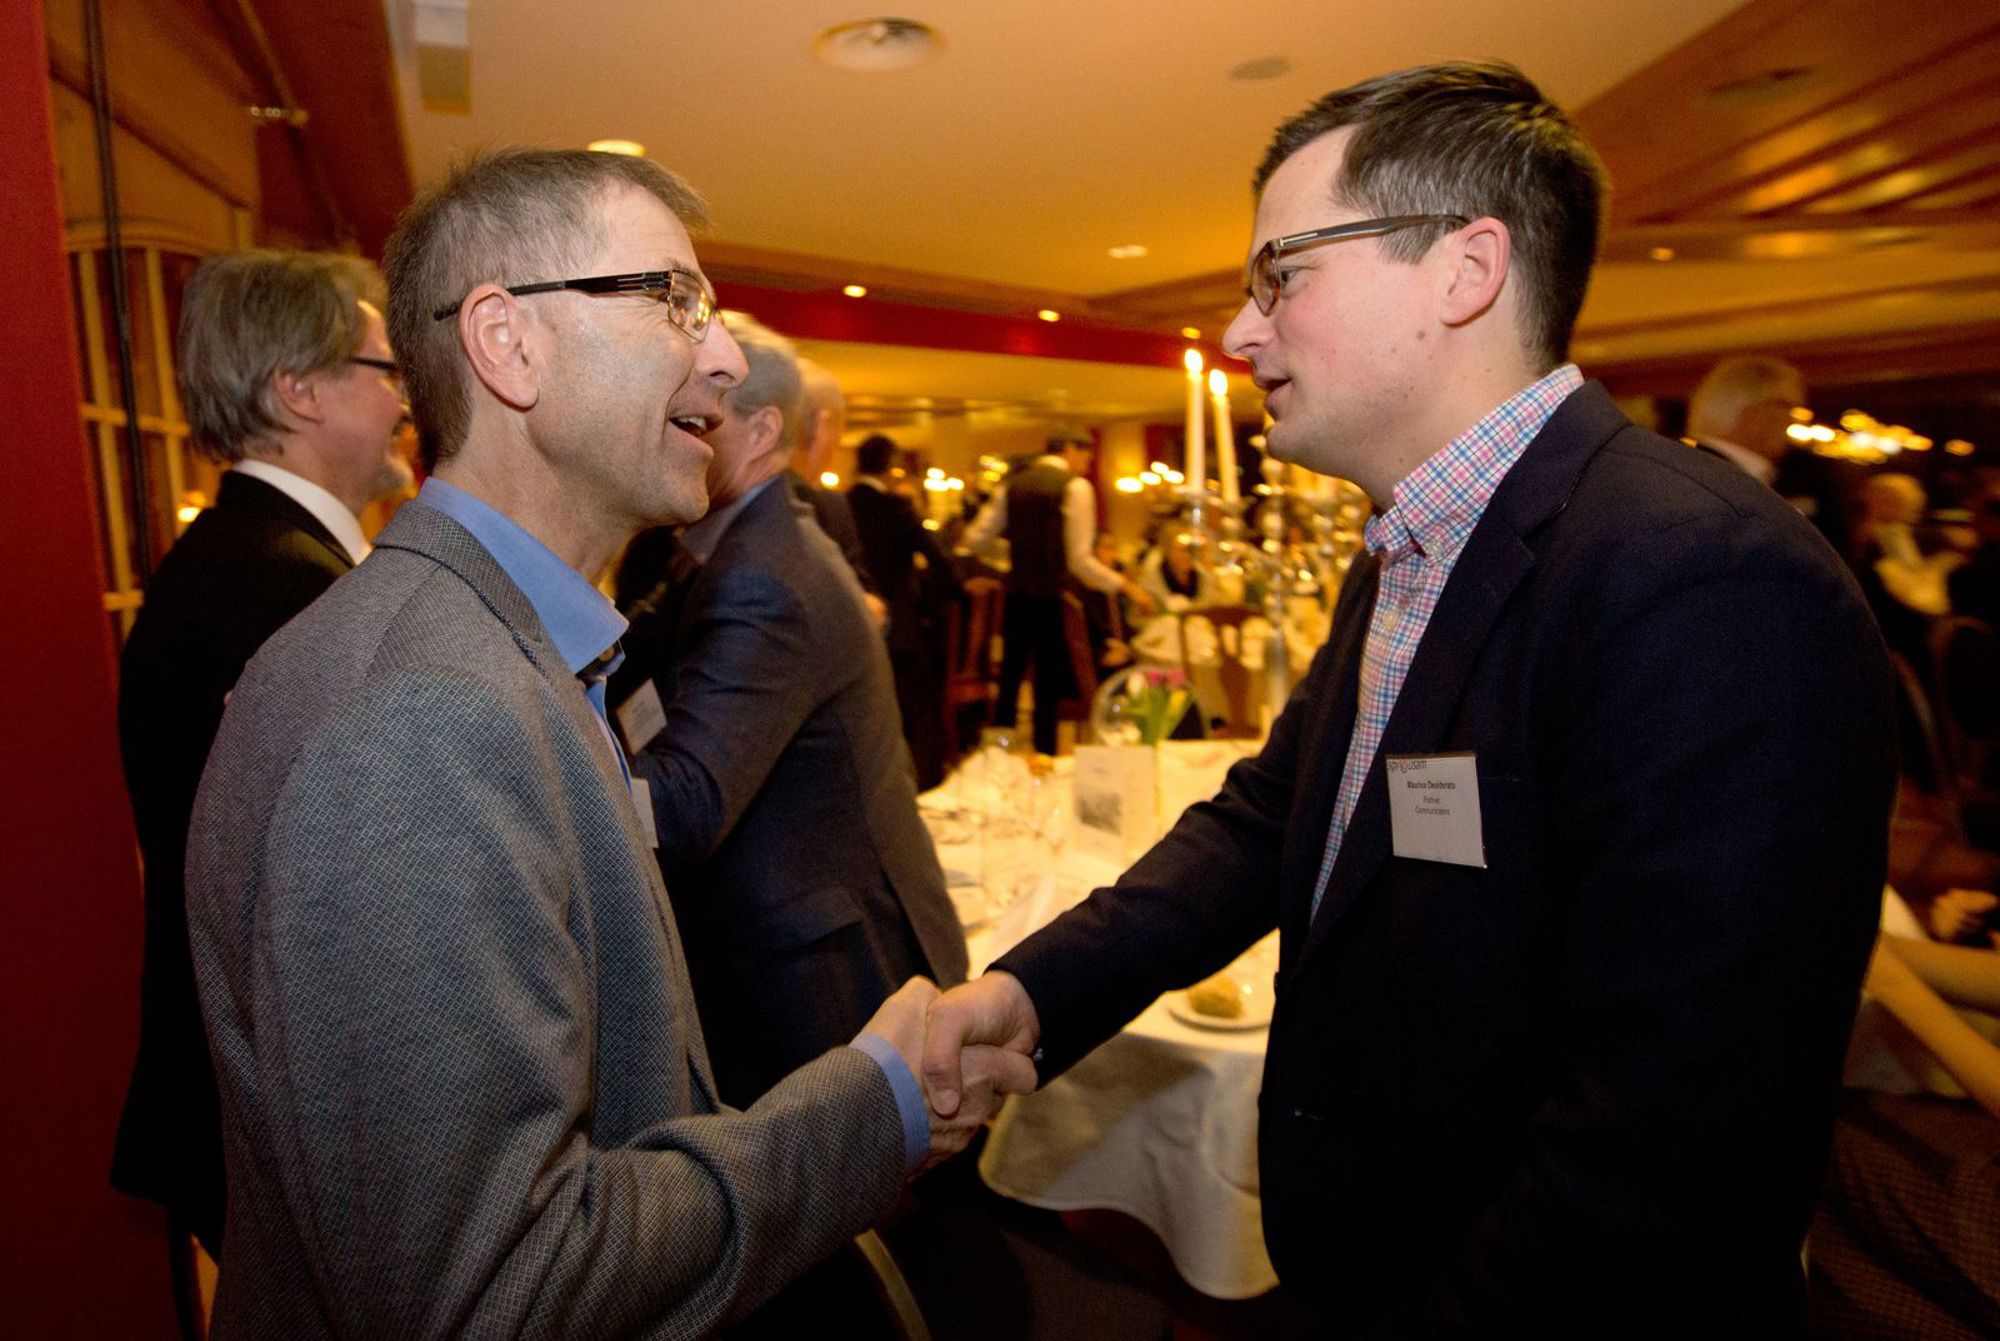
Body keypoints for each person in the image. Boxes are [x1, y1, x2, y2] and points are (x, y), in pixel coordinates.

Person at [926, 62, 1896, 1336]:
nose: (1239, 333)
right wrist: (1028, 995)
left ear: (1463, 270)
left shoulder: (1702, 577)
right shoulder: (1407, 546)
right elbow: (1268, 824)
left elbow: (1667, 1155)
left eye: (1280, 275)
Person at [184, 148, 1028, 1336]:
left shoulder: (491, 646)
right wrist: (870, 1109)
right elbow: (497, 1289)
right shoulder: (422, 715)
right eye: (674, 299)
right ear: (508, 343)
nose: (723, 358)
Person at [111, 249, 412, 1258]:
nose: (405, 402)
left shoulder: (242, 559)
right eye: (385, 371)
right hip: (283, 1114)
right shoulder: (284, 587)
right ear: (298, 391)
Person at [621, 315, 968, 1108]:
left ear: (763, 431)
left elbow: (682, 806)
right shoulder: (727, 547)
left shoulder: (763, 574)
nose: (675, 433)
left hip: (820, 976)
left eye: (699, 418)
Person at [963, 430, 1156, 754]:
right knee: (1046, 686)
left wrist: (1018, 551)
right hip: (1053, 597)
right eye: (1085, 455)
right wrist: (1125, 585)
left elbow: (975, 540)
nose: (1086, 463)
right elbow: (1079, 559)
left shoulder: (1012, 484)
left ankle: (999, 755)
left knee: (1010, 679)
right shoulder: (1075, 487)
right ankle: (1045, 756)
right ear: (1068, 449)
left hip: (1017, 595)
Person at [849, 432, 965, 788]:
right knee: (921, 711)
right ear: (890, 466)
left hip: (853, 626)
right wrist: (952, 592)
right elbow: (937, 557)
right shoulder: (894, 507)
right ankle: (928, 787)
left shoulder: (842, 505)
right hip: (899, 629)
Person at [1686, 353, 1855, 556]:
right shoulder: (1699, 478)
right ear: (1752, 411)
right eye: (1787, 408)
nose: (1791, 421)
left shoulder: (1682, 469)